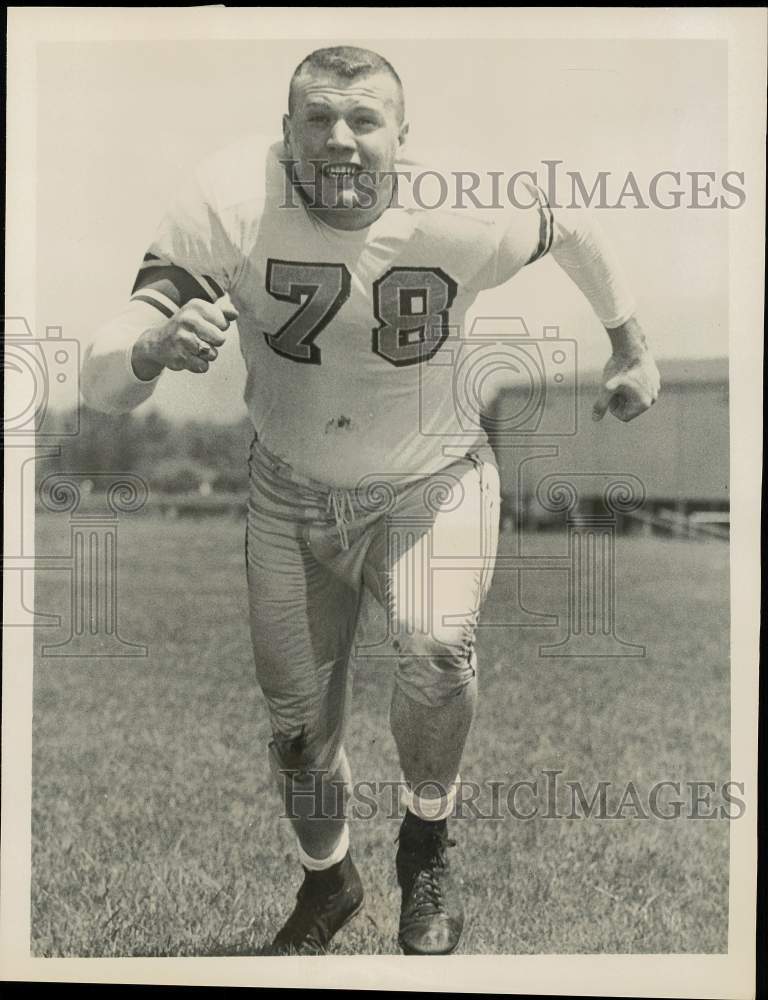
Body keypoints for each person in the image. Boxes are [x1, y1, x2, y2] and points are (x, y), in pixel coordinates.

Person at [81, 45, 660, 956]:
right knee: (298, 736)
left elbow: (576, 228)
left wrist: (630, 344)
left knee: (434, 647)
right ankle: (330, 880)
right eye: (317, 120)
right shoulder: (230, 199)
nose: (340, 142)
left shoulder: (467, 205)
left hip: (433, 479)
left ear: (403, 139)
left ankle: (425, 843)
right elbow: (104, 375)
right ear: (286, 134)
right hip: (288, 492)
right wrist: (152, 347)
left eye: (364, 121)